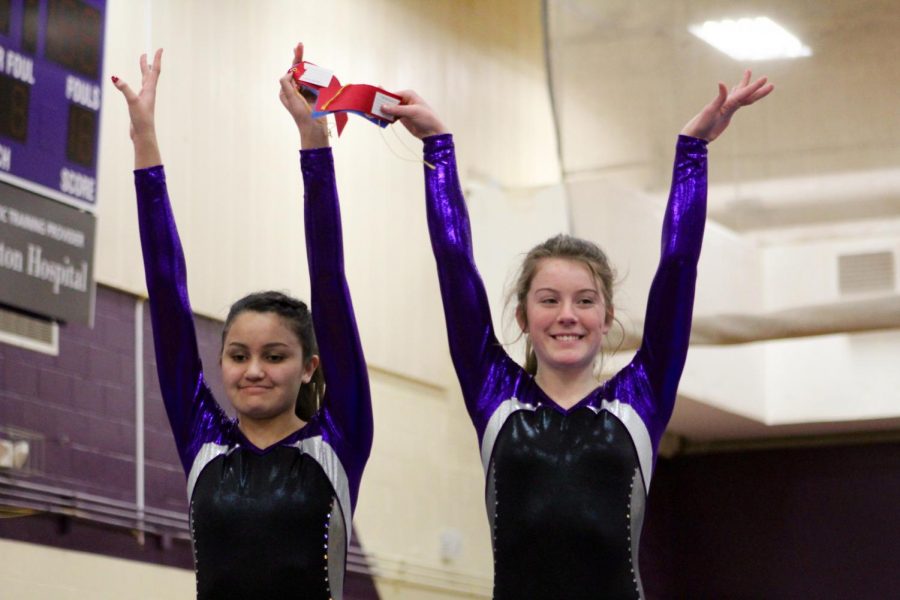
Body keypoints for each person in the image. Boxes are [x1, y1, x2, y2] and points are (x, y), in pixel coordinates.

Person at [381, 71, 773, 598]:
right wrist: (437, 148)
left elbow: (679, 266)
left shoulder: (641, 395)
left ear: (607, 317)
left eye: (584, 301)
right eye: (549, 300)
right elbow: (453, 263)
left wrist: (693, 153)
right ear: (522, 317)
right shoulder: (494, 392)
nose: (568, 315)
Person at [113, 44, 373, 599]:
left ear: (310, 367)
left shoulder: (339, 439)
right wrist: (144, 142)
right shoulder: (203, 441)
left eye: (275, 356)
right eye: (238, 355)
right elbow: (166, 290)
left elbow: (329, 278)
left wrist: (314, 143)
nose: (253, 370)